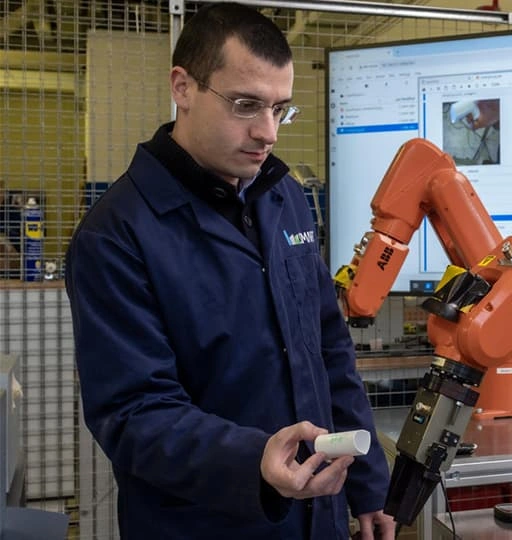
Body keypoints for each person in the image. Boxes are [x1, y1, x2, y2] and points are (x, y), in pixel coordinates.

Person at [65, 4, 394, 539]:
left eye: (280, 109)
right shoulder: (116, 235)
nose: (268, 133)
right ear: (183, 87)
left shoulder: (284, 196)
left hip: (318, 515)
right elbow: (133, 413)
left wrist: (368, 484)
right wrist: (253, 461)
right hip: (206, 522)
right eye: (246, 105)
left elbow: (327, 347)